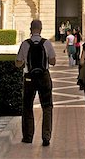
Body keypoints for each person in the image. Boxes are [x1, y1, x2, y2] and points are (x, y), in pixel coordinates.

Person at [15, 19, 56, 147]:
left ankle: (28, 136)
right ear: (41, 29)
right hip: (44, 77)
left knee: (27, 106)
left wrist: (24, 63)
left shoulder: (25, 44)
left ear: (30, 29)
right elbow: (53, 61)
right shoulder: (47, 43)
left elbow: (18, 62)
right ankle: (46, 137)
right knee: (47, 106)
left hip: (29, 78)